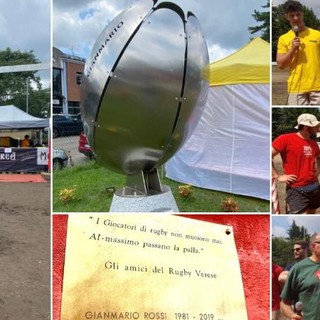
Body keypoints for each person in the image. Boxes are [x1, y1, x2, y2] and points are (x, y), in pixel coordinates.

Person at [272, 113, 320, 214]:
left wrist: (317, 172)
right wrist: (278, 176)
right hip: (296, 190)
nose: (318, 128)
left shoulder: (313, 143)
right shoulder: (285, 139)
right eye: (316, 126)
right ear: (307, 126)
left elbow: (319, 158)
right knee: (298, 217)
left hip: (315, 187)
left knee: (313, 212)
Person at [276, 0, 320, 105]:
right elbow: (281, 65)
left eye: (298, 14)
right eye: (292, 15)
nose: (296, 18)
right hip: (296, 87)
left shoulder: (317, 35)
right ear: (286, 17)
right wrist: (292, 49)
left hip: (318, 86)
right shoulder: (284, 38)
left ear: (302, 14)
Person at [280, 233, 320, 319]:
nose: (295, 251)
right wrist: (292, 315)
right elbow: (284, 302)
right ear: (313, 246)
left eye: (298, 249)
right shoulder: (298, 268)